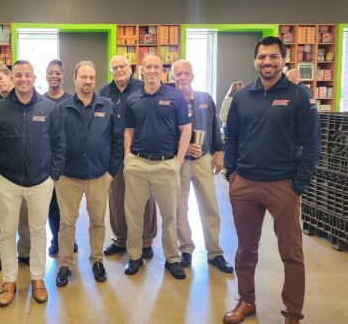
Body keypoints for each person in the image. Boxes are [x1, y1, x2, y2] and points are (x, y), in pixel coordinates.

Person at [222, 36, 321, 324]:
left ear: (283, 60)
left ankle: (292, 313)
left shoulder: (298, 96)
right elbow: (232, 139)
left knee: (291, 252)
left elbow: (313, 144)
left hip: (283, 185)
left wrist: (298, 185)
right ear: (255, 60)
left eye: (273, 57)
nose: (267, 62)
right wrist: (232, 174)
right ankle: (246, 301)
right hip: (245, 184)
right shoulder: (242, 96)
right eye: (262, 57)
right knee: (245, 249)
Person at [0, 60, 64, 306]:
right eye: (18, 75)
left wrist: (53, 174)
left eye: (27, 75)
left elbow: (59, 143)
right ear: (12, 77)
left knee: (38, 231)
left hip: (41, 181)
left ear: (34, 77)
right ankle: (9, 281)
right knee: (7, 232)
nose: (23, 79)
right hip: (7, 181)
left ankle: (37, 279)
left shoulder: (48, 107)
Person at [123, 54, 191, 280]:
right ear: (141, 70)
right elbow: (129, 131)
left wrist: (178, 161)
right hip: (137, 165)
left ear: (162, 70)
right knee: (133, 215)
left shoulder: (175, 96)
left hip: (166, 165)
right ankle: (134, 257)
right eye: (147, 66)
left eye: (156, 66)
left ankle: (172, 259)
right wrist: (128, 159)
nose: (152, 70)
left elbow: (186, 129)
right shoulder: (133, 98)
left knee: (170, 215)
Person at [54, 60, 122, 287]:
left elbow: (116, 140)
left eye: (91, 77)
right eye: (83, 77)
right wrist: (56, 172)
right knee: (67, 223)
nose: (87, 81)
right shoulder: (62, 108)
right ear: (74, 79)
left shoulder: (107, 106)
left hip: (98, 176)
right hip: (68, 177)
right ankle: (65, 263)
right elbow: (52, 141)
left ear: (95, 79)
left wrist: (111, 171)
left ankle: (96, 260)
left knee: (97, 221)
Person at [172, 60, 233, 273]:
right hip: (178, 162)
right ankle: (185, 249)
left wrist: (219, 153)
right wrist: (183, 148)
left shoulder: (205, 98)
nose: (182, 77)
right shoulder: (169, 100)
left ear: (192, 75)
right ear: (173, 77)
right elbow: (163, 132)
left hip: (204, 160)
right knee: (180, 208)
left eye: (185, 73)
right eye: (177, 74)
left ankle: (215, 253)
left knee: (210, 206)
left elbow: (215, 125)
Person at [99, 55, 157, 258]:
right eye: (114, 67)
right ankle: (121, 239)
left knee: (145, 198)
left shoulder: (143, 88)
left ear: (130, 68)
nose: (119, 70)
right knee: (116, 197)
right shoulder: (104, 92)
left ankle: (146, 240)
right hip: (114, 153)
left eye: (122, 66)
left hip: (140, 152)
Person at [0, 64, 31, 273]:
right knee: (1, 219)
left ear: (11, 78)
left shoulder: (27, 103)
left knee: (24, 216)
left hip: (25, 175)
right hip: (1, 176)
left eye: (1, 78)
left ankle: (25, 252)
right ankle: (0, 255)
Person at [42, 59, 77, 256]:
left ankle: (69, 239)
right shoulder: (39, 101)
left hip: (70, 163)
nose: (54, 76)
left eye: (58, 73)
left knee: (69, 208)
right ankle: (57, 239)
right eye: (51, 72)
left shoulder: (72, 100)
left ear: (63, 75)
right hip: (49, 164)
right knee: (53, 207)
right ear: (46, 75)